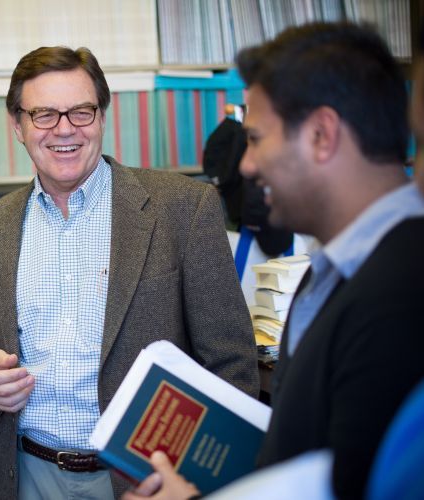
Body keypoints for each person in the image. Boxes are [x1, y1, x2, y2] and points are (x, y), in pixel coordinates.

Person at [123, 21, 424, 500]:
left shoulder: (403, 295)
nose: (245, 164)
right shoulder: (334, 272)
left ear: (322, 136)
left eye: (257, 138)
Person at [0, 46, 259, 499]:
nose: (64, 129)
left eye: (81, 111)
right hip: (27, 475)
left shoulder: (183, 209)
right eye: (43, 115)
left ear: (102, 116)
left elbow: (231, 364)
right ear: (17, 126)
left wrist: (199, 481)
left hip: (147, 481)